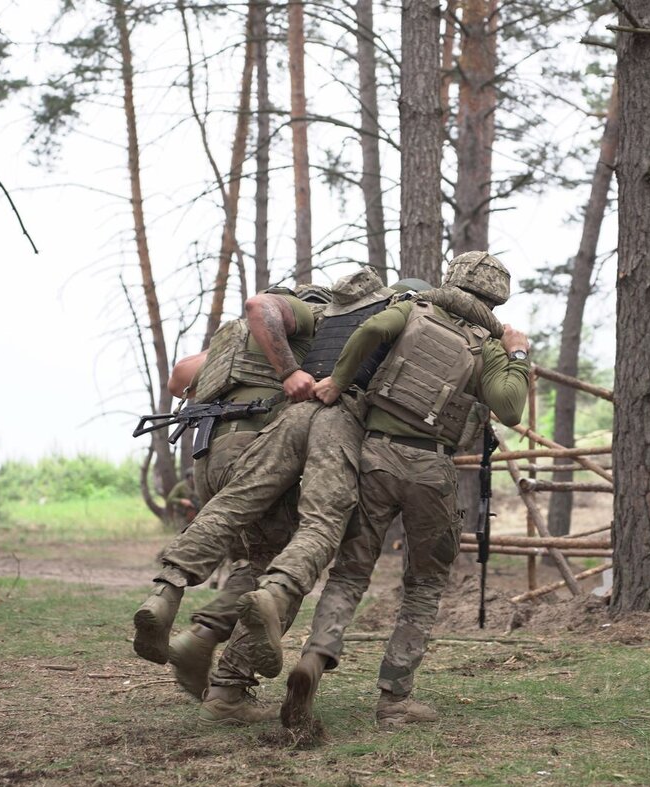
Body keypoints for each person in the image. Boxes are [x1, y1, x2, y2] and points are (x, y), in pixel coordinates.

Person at [281, 251, 530, 730]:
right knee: (424, 583)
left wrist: (339, 381)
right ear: (496, 297)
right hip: (431, 469)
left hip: (375, 456)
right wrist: (518, 353)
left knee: (352, 571)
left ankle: (316, 657)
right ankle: (394, 700)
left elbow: (370, 331)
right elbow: (510, 407)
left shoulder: (412, 308)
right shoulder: (490, 345)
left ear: (452, 278)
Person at [133, 284, 326, 703]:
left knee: (254, 559)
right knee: (282, 570)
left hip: (209, 457)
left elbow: (179, 377)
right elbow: (259, 306)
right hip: (256, 449)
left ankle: (193, 633)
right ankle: (227, 687)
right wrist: (291, 370)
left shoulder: (232, 341)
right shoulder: (301, 320)